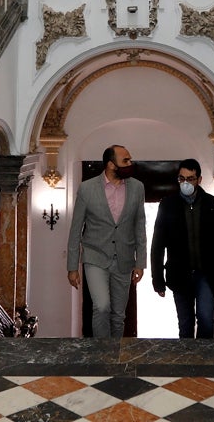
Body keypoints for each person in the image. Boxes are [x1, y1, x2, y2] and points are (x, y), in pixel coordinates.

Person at [66, 145, 147, 338]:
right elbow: (76, 229)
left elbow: (140, 226)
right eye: (125, 161)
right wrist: (72, 267)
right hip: (95, 257)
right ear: (111, 165)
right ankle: (101, 354)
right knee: (101, 306)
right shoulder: (87, 188)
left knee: (118, 315)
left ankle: (115, 354)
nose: (130, 164)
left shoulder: (137, 187)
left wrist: (140, 263)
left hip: (125, 259)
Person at [151, 158, 214, 338]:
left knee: (205, 319)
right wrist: (157, 279)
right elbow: (157, 244)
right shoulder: (168, 205)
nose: (185, 183)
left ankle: (205, 362)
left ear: (199, 180)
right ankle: (187, 364)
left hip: (207, 274)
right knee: (185, 323)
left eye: (190, 178)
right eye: (182, 178)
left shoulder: (213, 204)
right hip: (180, 274)